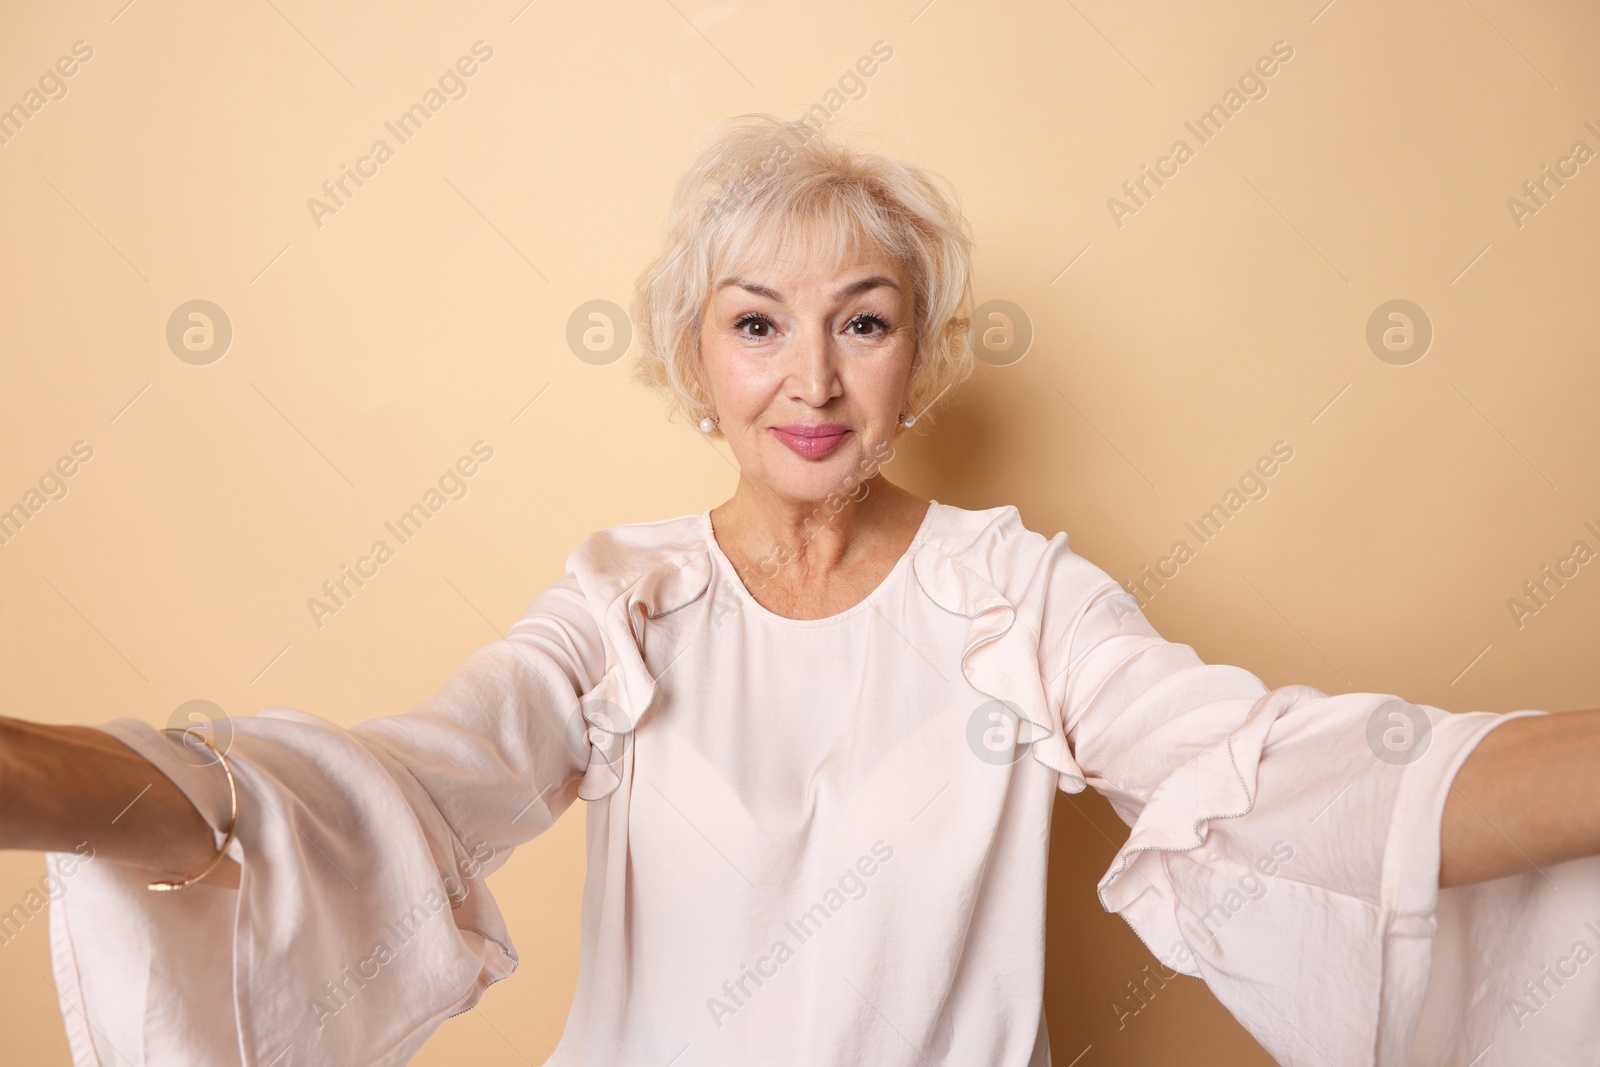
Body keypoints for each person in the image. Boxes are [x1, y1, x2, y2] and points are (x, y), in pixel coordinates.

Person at [3, 113, 1598, 1067]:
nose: (813, 379)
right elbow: (370, 797)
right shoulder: (621, 606)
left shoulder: (1015, 596)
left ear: (923, 354)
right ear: (694, 361)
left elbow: (1293, 782)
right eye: (758, 324)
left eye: (867, 318)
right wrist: (31, 779)